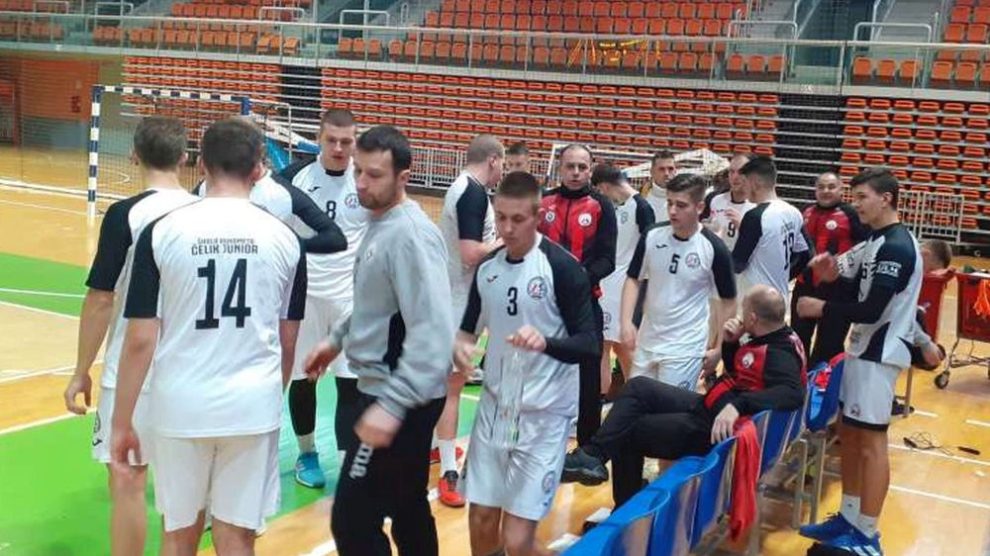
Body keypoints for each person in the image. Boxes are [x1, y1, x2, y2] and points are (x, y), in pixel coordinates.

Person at [110, 118, 307, 554]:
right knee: (236, 537)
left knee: (179, 534)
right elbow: (288, 339)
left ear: (200, 164)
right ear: (258, 169)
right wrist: (269, 398)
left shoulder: (163, 232)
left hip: (181, 404)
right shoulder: (286, 240)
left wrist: (122, 421)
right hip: (253, 405)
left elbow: (140, 339)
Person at [303, 126, 452, 556]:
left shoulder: (410, 236)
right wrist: (337, 339)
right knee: (407, 506)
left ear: (403, 177)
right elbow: (379, 305)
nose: (361, 184)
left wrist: (391, 406)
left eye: (374, 175)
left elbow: (434, 331)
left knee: (352, 520)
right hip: (394, 392)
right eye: (358, 172)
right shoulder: (381, 223)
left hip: (398, 395)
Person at [63, 116, 197, 556]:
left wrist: (80, 370)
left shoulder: (126, 214)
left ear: (134, 155)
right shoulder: (205, 212)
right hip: (193, 366)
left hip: (132, 371)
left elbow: (101, 299)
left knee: (127, 477)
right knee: (184, 489)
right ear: (184, 157)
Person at [455, 171, 599, 556]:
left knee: (518, 541)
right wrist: (460, 352)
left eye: (517, 219)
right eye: (501, 217)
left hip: (544, 416)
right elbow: (467, 331)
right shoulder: (488, 268)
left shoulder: (562, 268)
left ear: (537, 216)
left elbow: (590, 345)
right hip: (496, 410)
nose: (507, 228)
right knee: (481, 521)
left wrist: (546, 342)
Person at [562, 285, 806, 506]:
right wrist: (730, 344)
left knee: (629, 431)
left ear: (752, 318)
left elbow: (794, 393)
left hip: (712, 428)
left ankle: (625, 512)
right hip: (709, 407)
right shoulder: (779, 336)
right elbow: (745, 375)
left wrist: (738, 405)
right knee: (638, 387)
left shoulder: (778, 354)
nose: (740, 316)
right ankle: (593, 455)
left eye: (744, 310)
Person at [796, 168, 924, 556]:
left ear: (886, 198)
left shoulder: (897, 247)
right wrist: (830, 272)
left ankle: (867, 534)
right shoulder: (874, 240)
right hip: (860, 350)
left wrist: (822, 307)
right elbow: (847, 278)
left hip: (879, 355)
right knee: (849, 435)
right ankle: (849, 518)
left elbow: (871, 309)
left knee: (871, 442)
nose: (856, 204)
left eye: (862, 197)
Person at [279, 108, 369, 488]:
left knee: (351, 382)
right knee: (304, 379)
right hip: (305, 297)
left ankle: (348, 464)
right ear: (318, 138)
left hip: (349, 299)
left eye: (346, 142)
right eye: (331, 140)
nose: (338, 148)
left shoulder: (366, 180)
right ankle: (307, 453)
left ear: (356, 142)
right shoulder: (292, 178)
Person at [617, 173, 736, 389]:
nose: (672, 210)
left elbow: (728, 301)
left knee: (669, 407)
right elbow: (633, 279)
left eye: (681, 205)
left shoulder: (714, 248)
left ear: (699, 207)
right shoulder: (652, 235)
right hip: (648, 340)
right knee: (636, 401)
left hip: (685, 347)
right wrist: (626, 322)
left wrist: (720, 348)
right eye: (670, 203)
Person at [436, 134, 505, 507]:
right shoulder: (473, 193)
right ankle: (449, 470)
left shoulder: (464, 188)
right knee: (452, 387)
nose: (502, 170)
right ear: (493, 160)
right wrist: (508, 239)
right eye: (502, 162)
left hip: (458, 299)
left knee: (447, 385)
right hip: (459, 303)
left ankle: (436, 446)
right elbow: (470, 253)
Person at [538, 144, 616, 447]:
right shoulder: (543, 202)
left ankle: (587, 446)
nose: (575, 172)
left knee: (588, 375)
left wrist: (579, 279)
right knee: (541, 367)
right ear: (560, 167)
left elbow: (607, 260)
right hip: (545, 304)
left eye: (582, 167)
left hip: (584, 304)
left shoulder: (601, 206)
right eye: (570, 166)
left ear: (590, 169)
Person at [591, 164, 654, 400]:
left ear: (604, 186)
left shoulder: (641, 206)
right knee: (615, 346)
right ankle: (625, 399)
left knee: (613, 345)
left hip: (623, 285)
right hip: (610, 281)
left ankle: (620, 399)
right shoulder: (618, 206)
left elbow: (649, 247)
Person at [790, 171, 867, 365]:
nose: (826, 191)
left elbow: (864, 248)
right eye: (821, 187)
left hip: (837, 290)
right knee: (797, 341)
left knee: (829, 346)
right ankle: (799, 381)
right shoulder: (805, 212)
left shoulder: (852, 214)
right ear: (815, 190)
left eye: (831, 187)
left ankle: (824, 381)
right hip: (804, 286)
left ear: (841, 189)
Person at [732, 156, 811, 304]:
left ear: (756, 183)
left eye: (745, 182)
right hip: (780, 296)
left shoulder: (755, 216)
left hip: (757, 300)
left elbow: (737, 265)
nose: (744, 188)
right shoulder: (793, 211)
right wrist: (783, 278)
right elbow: (806, 255)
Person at [704, 154, 754, 252]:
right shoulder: (716, 200)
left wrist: (743, 227)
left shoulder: (757, 207)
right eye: (731, 171)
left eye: (741, 172)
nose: (735, 177)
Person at [643, 150, 677, 222]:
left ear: (675, 171)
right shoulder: (641, 198)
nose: (666, 173)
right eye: (661, 169)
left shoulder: (685, 199)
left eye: (670, 169)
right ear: (652, 172)